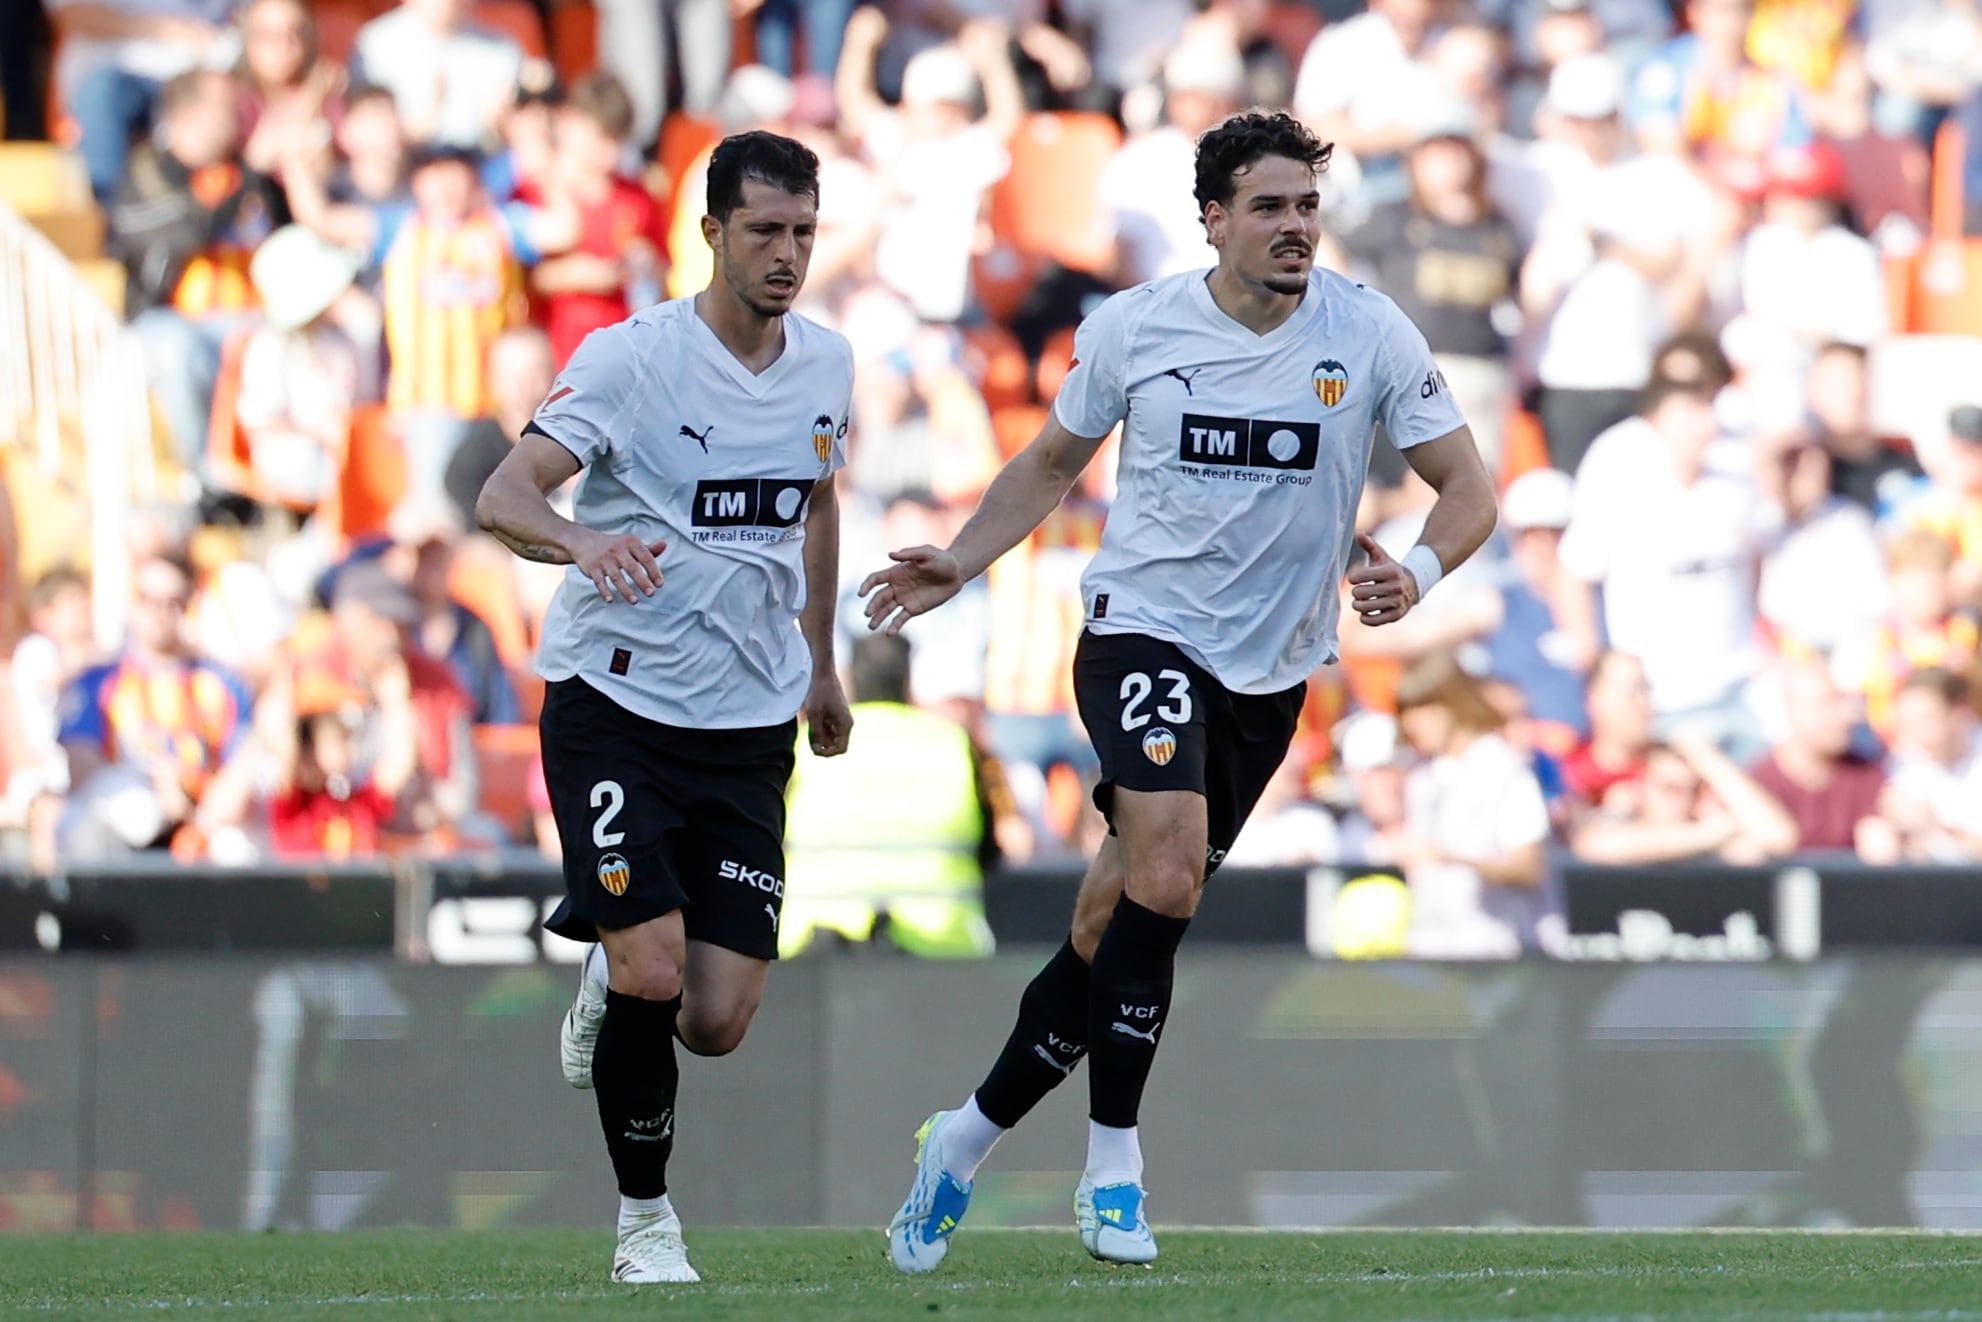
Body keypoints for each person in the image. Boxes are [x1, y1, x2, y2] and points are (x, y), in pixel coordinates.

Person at [862, 111, 1496, 1270]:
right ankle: (1114, 1170)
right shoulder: (1135, 327)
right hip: (1141, 633)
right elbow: (1050, 462)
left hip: (1270, 674)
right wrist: (959, 556)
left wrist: (1416, 566)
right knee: (1161, 872)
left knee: (1115, 921)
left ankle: (959, 1139)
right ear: (1211, 217)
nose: (1294, 226)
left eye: (1305, 205)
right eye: (1268, 206)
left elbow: (1467, 485)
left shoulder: (1368, 332)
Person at [473, 130, 854, 1284]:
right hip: (614, 705)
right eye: (763, 232)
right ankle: (646, 1224)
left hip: (746, 721)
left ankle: (604, 967)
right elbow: (504, 492)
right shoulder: (630, 358)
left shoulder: (828, 363)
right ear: (710, 235)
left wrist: (821, 658)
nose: (786, 255)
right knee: (654, 971)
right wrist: (584, 540)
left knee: (715, 1016)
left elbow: (818, 499)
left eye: (802, 232)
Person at [782, 633, 998, 959]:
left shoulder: (806, 743)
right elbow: (990, 849)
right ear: (908, 681)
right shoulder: (953, 743)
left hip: (815, 941)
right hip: (941, 942)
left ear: (849, 680)